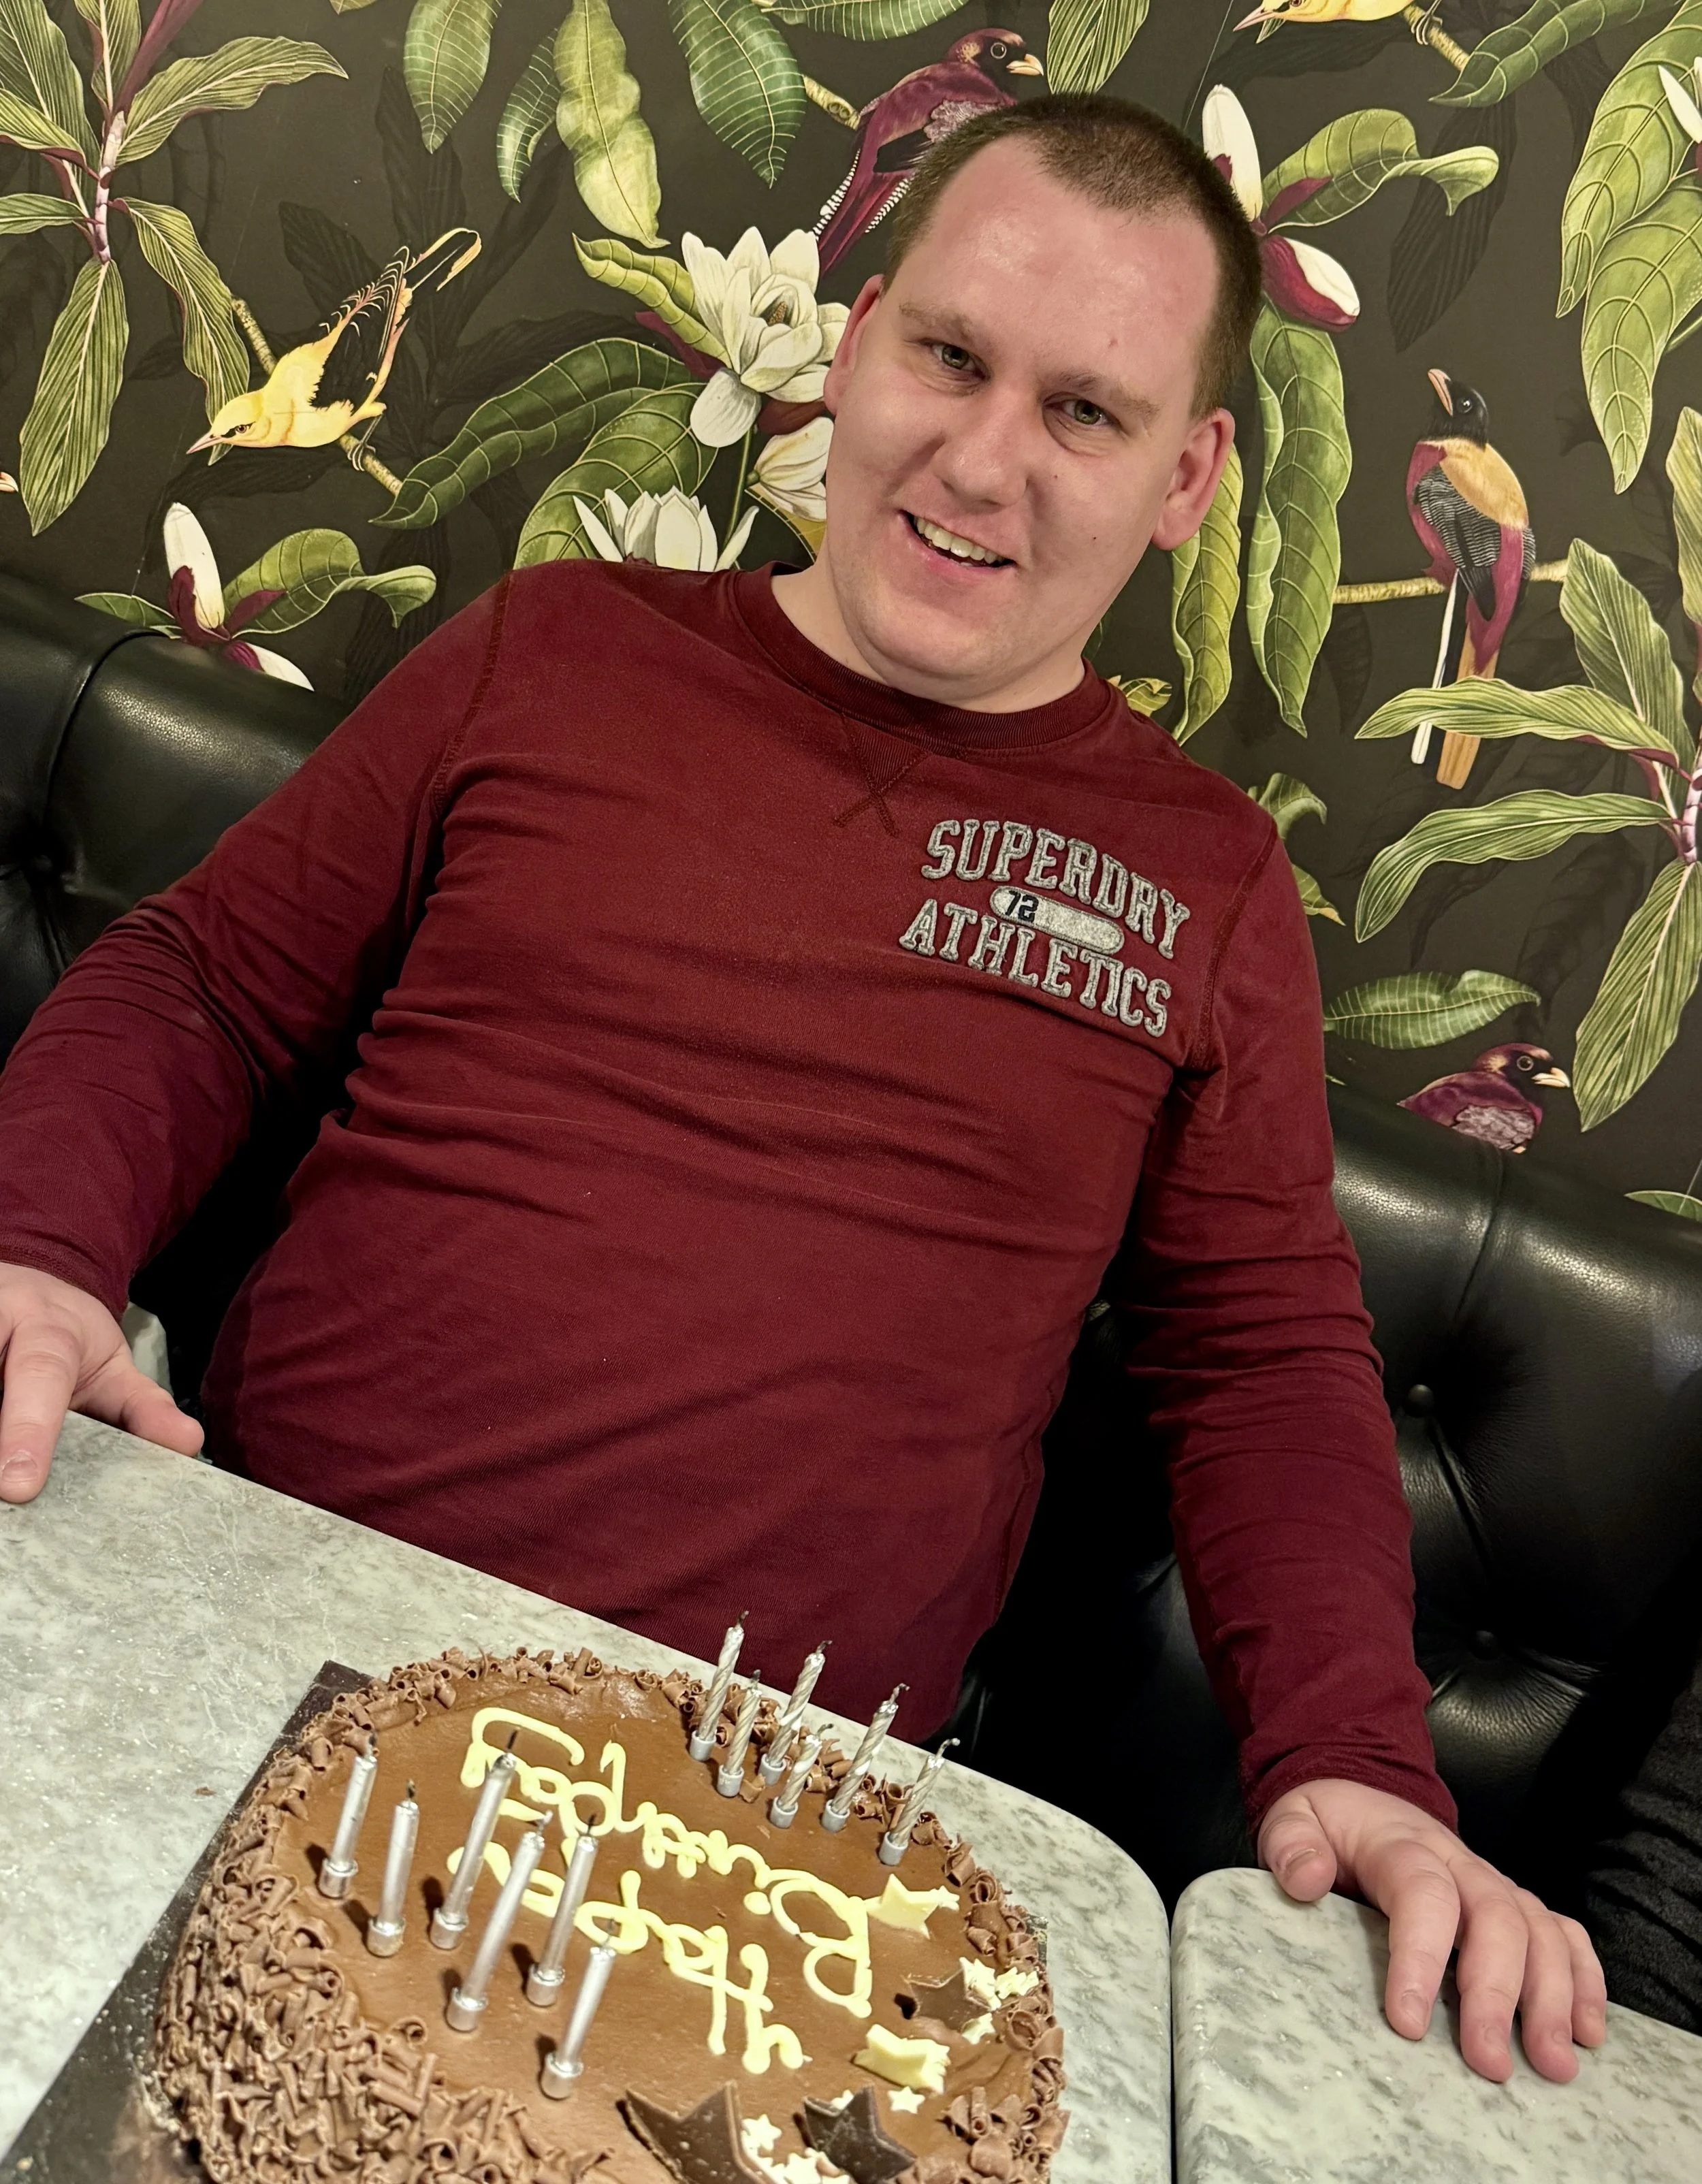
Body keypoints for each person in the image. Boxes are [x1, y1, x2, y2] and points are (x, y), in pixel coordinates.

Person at [0, 94, 1603, 2081]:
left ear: (1187, 479)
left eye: (1084, 414)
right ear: (850, 348)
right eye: (948, 356)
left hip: (749, 1858)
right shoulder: (557, 649)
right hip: (260, 1639)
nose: (982, 459)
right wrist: (44, 1252)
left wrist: (1358, 1761)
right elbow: (198, 984)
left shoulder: (1203, 888)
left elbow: (1263, 1357)